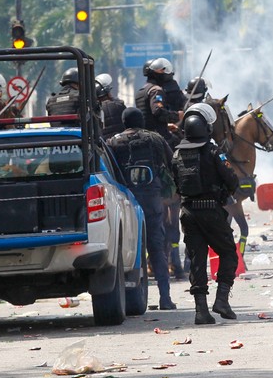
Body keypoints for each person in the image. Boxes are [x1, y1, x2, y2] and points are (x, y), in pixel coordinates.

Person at [170, 103, 240, 325]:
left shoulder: (177, 155)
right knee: (229, 253)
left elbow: (175, 183)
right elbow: (232, 179)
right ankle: (221, 301)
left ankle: (201, 311)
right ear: (207, 129)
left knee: (197, 260)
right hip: (211, 210)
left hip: (188, 212)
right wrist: (223, 194)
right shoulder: (213, 152)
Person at [107, 107, 176, 310]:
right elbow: (172, 163)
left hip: (124, 202)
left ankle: (127, 300)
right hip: (152, 202)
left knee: (124, 250)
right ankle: (165, 298)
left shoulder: (112, 142)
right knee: (156, 249)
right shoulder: (155, 139)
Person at [135, 58, 183, 144]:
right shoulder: (156, 91)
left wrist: (167, 126)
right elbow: (158, 111)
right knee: (180, 143)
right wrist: (177, 115)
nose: (165, 72)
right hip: (158, 137)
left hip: (145, 135)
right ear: (154, 73)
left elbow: (148, 117)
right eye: (162, 70)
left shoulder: (141, 91)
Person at [96, 73, 127, 141]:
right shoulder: (119, 105)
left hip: (104, 143)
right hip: (121, 141)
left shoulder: (94, 109)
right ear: (106, 93)